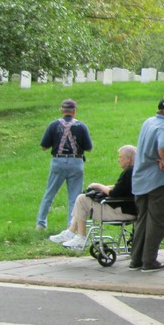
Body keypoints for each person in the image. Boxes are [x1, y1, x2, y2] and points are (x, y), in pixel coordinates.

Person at [129, 97, 164, 272]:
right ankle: (149, 261)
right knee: (158, 222)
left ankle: (136, 259)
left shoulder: (149, 122)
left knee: (142, 222)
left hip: (141, 181)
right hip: (160, 182)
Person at [49, 145, 137, 250]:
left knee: (82, 199)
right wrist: (104, 187)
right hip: (128, 209)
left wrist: (98, 186)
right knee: (83, 200)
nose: (118, 160)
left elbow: (114, 193)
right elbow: (121, 187)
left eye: (120, 157)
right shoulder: (135, 171)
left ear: (129, 159)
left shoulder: (128, 172)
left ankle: (80, 237)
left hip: (121, 212)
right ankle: (70, 232)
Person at [37, 98, 93, 231]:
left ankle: (41, 223)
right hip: (76, 162)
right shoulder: (81, 126)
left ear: (61, 110)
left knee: (49, 194)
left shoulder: (53, 125)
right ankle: (70, 225)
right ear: (75, 111)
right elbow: (89, 148)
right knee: (74, 197)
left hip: (58, 161)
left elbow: (44, 146)